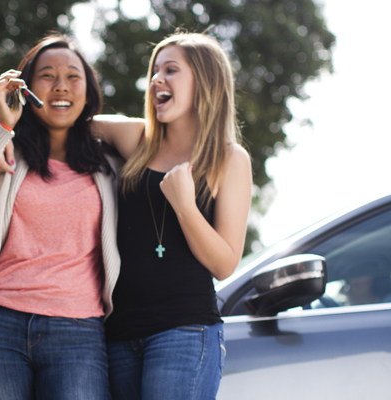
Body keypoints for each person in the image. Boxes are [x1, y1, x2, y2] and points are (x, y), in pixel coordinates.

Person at [0, 34, 120, 400]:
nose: (60, 86)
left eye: (72, 76)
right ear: (27, 87)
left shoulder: (110, 163)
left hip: (77, 331)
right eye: (47, 76)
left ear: (88, 90)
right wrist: (2, 127)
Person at [93, 31, 253, 399]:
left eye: (171, 70)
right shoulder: (135, 138)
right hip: (118, 336)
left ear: (205, 82)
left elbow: (225, 263)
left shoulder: (229, 160)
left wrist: (185, 205)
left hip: (185, 333)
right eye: (154, 71)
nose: (156, 80)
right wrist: (8, 141)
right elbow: (66, 124)